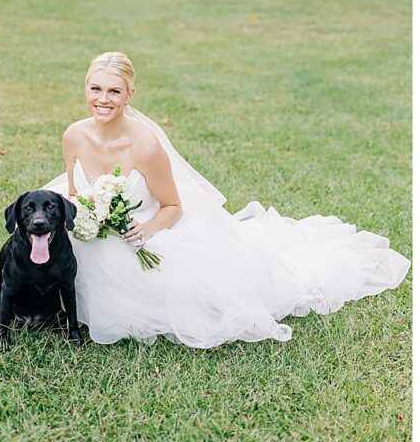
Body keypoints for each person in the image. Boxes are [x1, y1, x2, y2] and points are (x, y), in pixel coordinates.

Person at [49, 49, 409, 347]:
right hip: (96, 231)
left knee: (189, 296)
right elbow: (75, 193)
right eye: (96, 89)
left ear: (130, 95)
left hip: (146, 230)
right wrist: (85, 219)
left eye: (114, 91)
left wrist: (145, 230)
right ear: (85, 89)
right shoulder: (74, 135)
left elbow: (173, 207)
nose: (103, 100)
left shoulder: (144, 146)